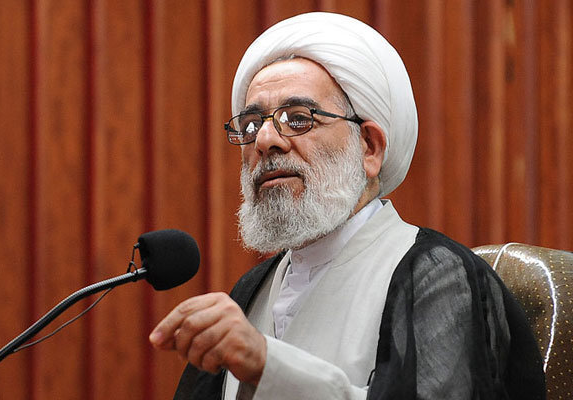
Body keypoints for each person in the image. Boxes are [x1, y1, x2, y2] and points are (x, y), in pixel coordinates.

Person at [149, 12, 545, 400]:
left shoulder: (439, 278)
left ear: (369, 147)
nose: (265, 140)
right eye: (252, 125)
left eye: (299, 118)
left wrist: (270, 366)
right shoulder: (252, 290)